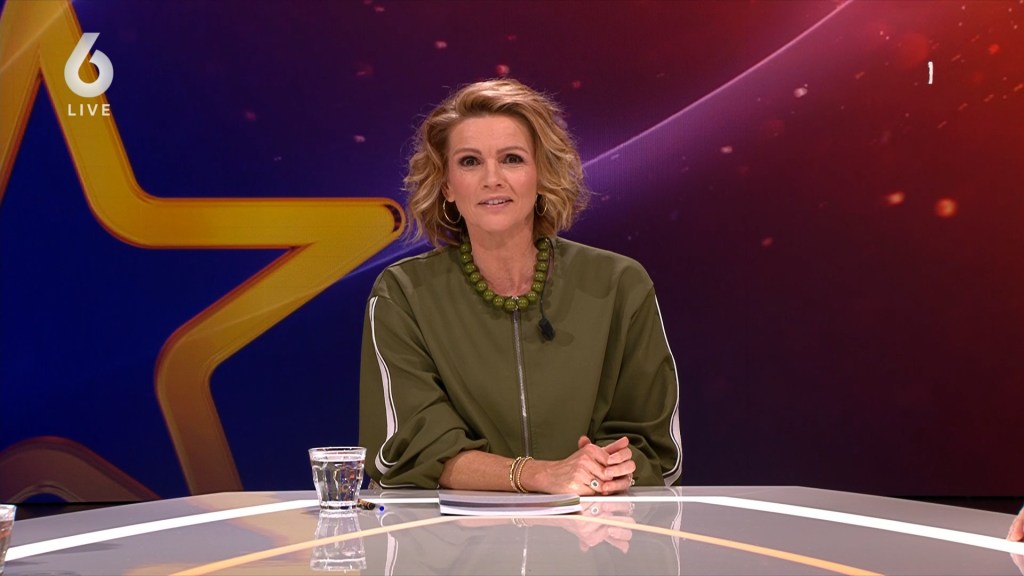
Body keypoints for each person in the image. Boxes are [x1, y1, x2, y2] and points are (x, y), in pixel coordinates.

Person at [358, 78, 682, 495]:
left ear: (541, 175)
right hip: (453, 532)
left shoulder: (619, 284)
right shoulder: (404, 293)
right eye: (470, 162)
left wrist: (607, 467)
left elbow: (654, 447)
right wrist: (537, 475)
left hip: (592, 523)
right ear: (447, 186)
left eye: (512, 159)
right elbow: (408, 447)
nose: (492, 178)